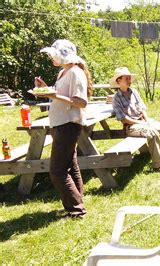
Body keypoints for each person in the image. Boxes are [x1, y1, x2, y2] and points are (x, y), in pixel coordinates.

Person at [34, 39, 92, 219]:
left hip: (68, 124)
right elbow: (61, 96)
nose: (51, 57)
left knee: (57, 170)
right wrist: (46, 90)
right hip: (60, 123)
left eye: (53, 54)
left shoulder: (75, 72)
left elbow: (81, 102)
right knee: (70, 166)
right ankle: (77, 203)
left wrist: (53, 95)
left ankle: (76, 210)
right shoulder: (63, 72)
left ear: (63, 54)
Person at [110, 67, 160, 171]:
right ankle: (158, 165)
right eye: (126, 78)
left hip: (143, 123)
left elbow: (142, 109)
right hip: (131, 127)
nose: (129, 81)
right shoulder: (116, 98)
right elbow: (123, 119)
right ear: (119, 81)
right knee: (152, 133)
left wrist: (146, 121)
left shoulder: (134, 92)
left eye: (129, 78)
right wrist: (140, 123)